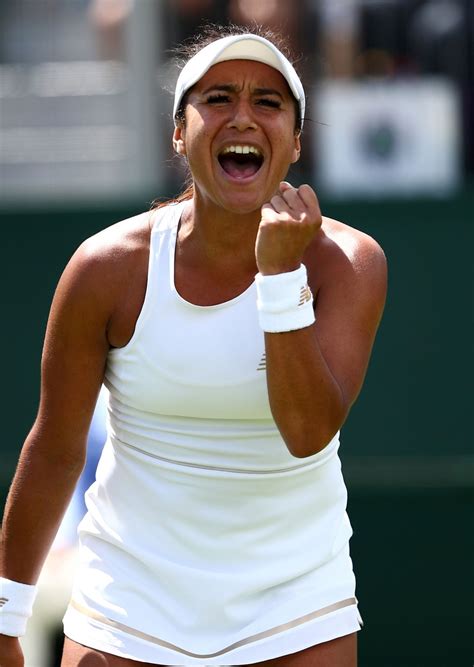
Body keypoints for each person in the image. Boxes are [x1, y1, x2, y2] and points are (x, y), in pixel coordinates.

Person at [0, 24, 387, 667]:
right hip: (127, 611)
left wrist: (281, 278)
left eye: (268, 102)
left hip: (295, 612)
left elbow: (307, 430)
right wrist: (6, 614)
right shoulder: (105, 267)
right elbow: (55, 449)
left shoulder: (349, 263)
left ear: (295, 141)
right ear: (179, 133)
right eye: (218, 99)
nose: (242, 116)